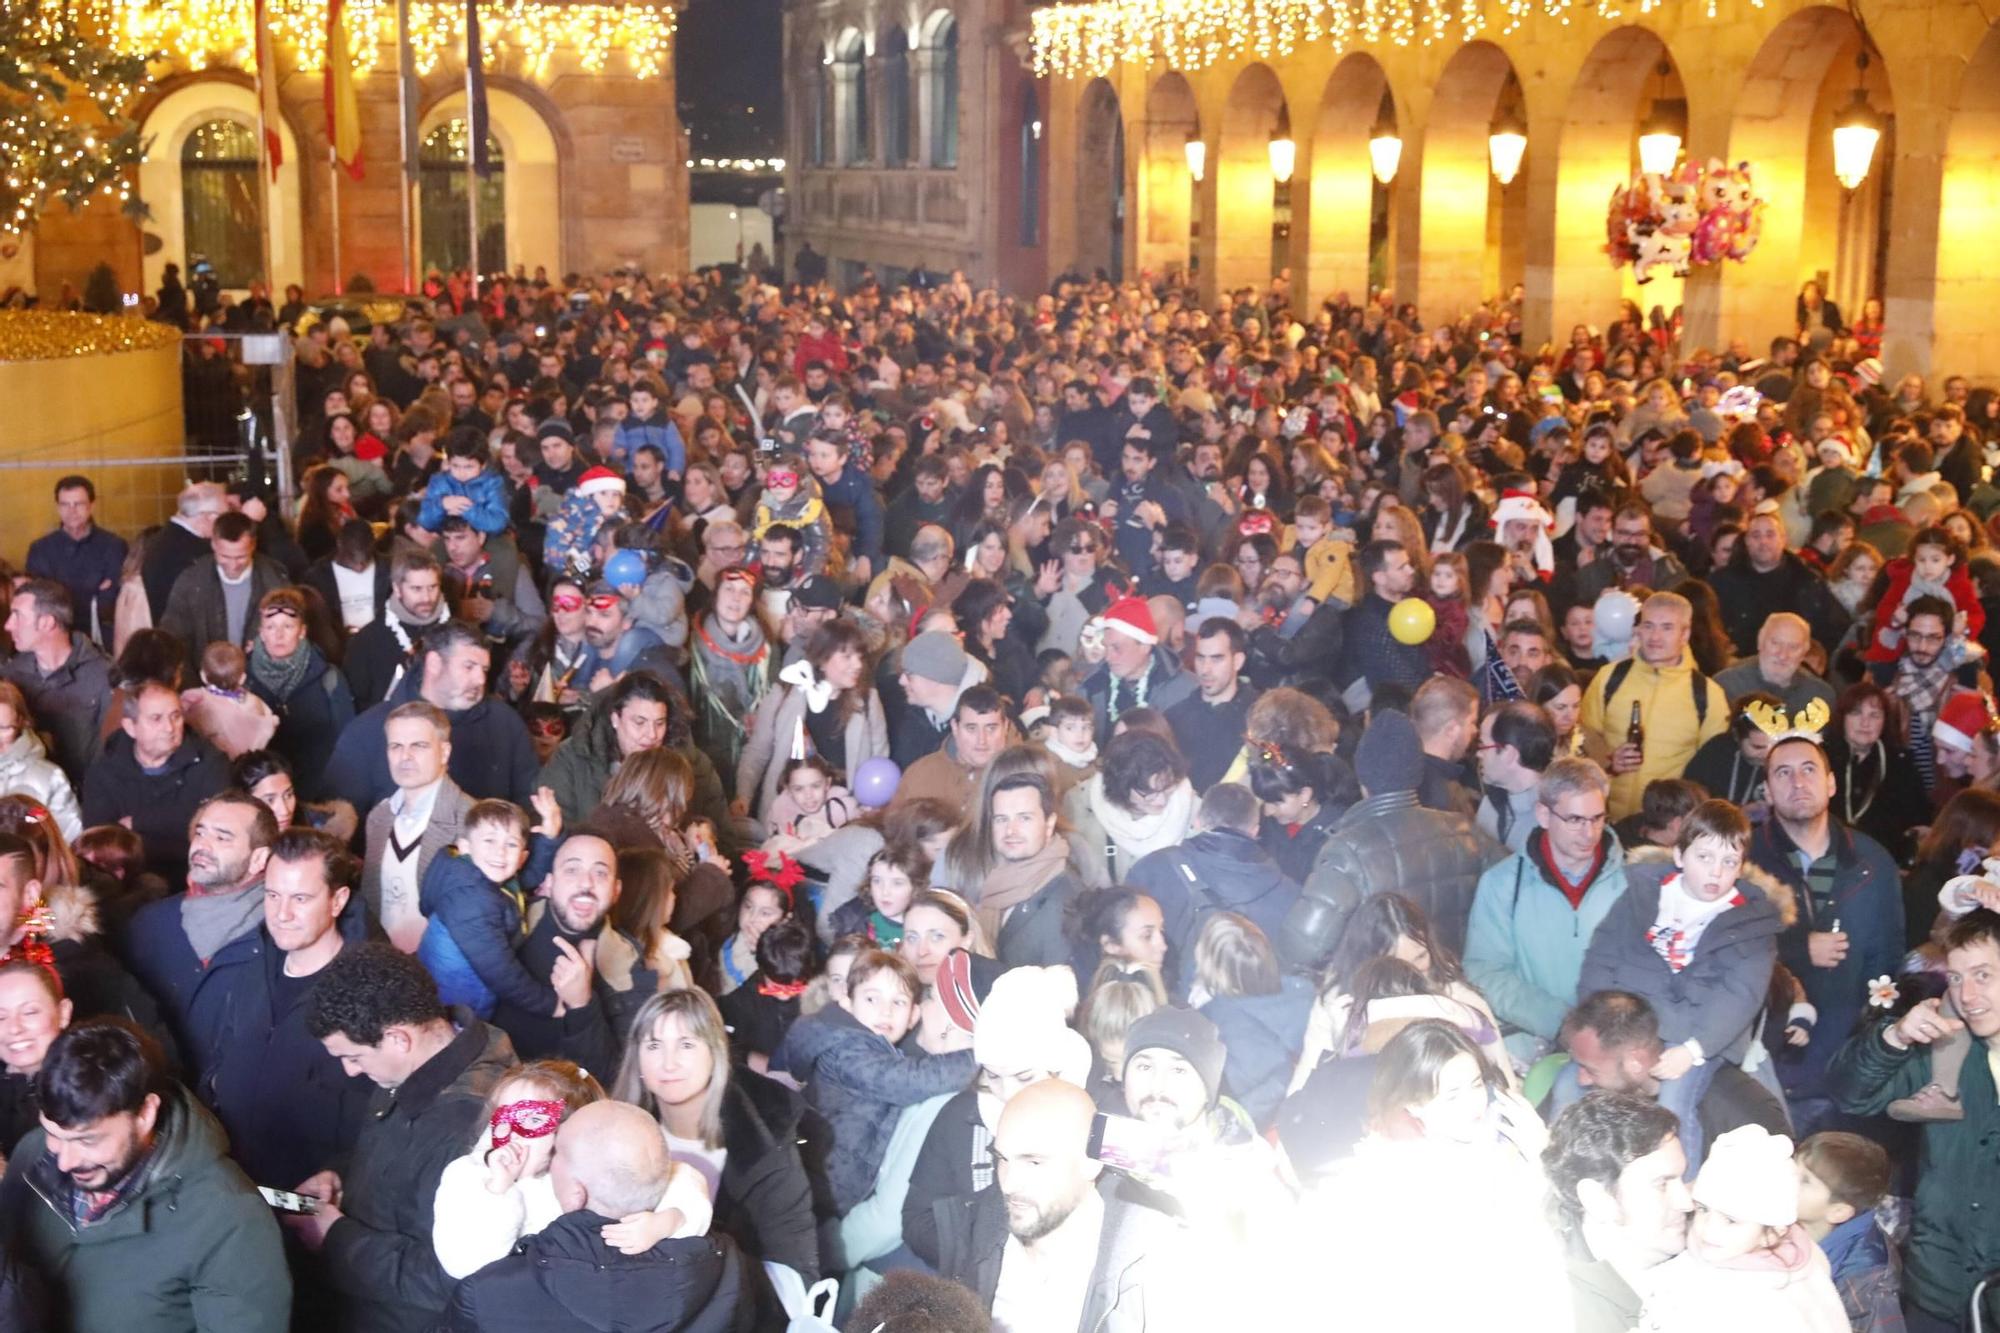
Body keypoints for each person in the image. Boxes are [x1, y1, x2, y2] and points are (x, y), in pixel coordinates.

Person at [0, 1019, 290, 1331]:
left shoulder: (231, 1217)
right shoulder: (32, 1155)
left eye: (88, 1140)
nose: (64, 1162)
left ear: (145, 1114)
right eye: (53, 1135)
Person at [287, 942, 516, 1333]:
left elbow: (449, 1279)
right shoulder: (419, 1064)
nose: (350, 1072)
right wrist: (340, 1175)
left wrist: (336, 1238)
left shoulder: (472, 1126)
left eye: (354, 1057)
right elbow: (396, 1155)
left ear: (398, 1038)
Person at [1578, 800, 1789, 1174]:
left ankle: (1680, 1191)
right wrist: (1599, 1026)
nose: (1716, 872)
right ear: (1679, 855)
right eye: (1704, 857)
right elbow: (1602, 958)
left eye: (1729, 862)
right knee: (1574, 1087)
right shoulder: (1643, 895)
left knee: (1673, 1106)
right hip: (1629, 1027)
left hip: (1696, 1041)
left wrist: (1693, 1051)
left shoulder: (1753, 921)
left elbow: (1741, 997)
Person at [437, 1099, 752, 1332]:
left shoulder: (487, 1296)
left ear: (576, 1194)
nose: (548, 1158)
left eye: (557, 1151)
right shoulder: (729, 1263)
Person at [1833, 909, 2000, 1332]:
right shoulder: (1945, 1055)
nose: (1968, 995)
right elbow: (1850, 1093)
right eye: (1957, 979)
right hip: (1937, 1293)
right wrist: (1896, 1037)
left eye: (1983, 975)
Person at [934, 1078, 1190, 1331]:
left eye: (1034, 1162)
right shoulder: (978, 1227)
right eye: (1002, 1158)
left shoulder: (1150, 1267)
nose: (1009, 1184)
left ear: (1091, 1164)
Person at [204, 826, 374, 1194]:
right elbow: (221, 1054)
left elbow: (377, 1113)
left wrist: (338, 1174)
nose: (282, 913)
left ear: (337, 900)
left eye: (300, 898)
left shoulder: (366, 993)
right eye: (272, 895)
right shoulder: (252, 968)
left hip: (304, 1197)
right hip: (231, 1183)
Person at [613, 988, 821, 1288]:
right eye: (654, 1045)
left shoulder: (764, 1146)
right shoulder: (615, 1134)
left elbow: (795, 1274)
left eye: (686, 1044)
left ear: (715, 1052)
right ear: (637, 1057)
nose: (669, 1063)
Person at [1750, 729, 1903, 1123]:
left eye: (1808, 770)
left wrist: (1871, 1052)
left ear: (1831, 782)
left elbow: (1887, 963)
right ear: (1766, 790)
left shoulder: (1872, 863)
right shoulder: (1744, 862)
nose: (1798, 782)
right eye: (1782, 773)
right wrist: (1798, 949)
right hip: (1764, 1061)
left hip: (1845, 1066)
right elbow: (1719, 951)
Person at [1281, 709, 1500, 969]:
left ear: (1362, 778)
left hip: (1386, 994)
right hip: (1457, 983)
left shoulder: (1347, 851)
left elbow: (1302, 947)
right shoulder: (1466, 831)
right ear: (1417, 774)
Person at [778, 948, 973, 1213]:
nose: (885, 1011)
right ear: (847, 1003)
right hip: (821, 1190)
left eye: (899, 1002)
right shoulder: (847, 1050)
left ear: (913, 1016)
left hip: (829, 1185)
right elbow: (906, 1080)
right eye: (872, 999)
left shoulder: (870, 1047)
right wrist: (981, 1055)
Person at [1465, 757, 1630, 1067]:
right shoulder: (1502, 885)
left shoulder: (1630, 884)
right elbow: (1484, 970)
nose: (1589, 833)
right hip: (1533, 1050)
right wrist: (1559, 1020)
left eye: (1598, 818)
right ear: (1543, 814)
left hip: (1613, 1050)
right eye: (1575, 820)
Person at [122, 790, 277, 1081]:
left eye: (222, 838)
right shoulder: (150, 924)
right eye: (200, 833)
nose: (203, 846)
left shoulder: (280, 938)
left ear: (259, 859)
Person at [1638, 1124, 1849, 1333]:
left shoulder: (1758, 1308)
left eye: (1731, 1220)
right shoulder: (1751, 1254)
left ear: (1773, 1232)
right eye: (1703, 1209)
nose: (1707, 1228)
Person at [325, 619, 540, 814]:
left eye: (484, 669)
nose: (480, 680)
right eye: (469, 667)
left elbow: (530, 805)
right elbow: (340, 818)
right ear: (435, 663)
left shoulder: (506, 724)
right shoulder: (369, 730)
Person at [1127, 781, 1299, 999]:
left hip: (1173, 1015)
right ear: (1255, 831)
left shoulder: (1150, 870)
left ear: (1198, 822)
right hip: (1254, 1019)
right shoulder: (1289, 893)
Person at [1543, 1091, 1694, 1333]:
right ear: (1598, 1200)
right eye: (1662, 1184)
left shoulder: (1703, 1243)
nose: (1687, 1202)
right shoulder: (1571, 1316)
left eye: (1681, 1178)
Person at [1577, 591, 1729, 821]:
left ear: (1685, 634)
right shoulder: (1609, 678)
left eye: (1667, 627)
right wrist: (1608, 761)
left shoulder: (1708, 694)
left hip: (1669, 829)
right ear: (1637, 629)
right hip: (1604, 821)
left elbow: (1715, 768)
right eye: (1648, 626)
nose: (1655, 636)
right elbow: (1581, 739)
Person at [361, 701, 473, 954]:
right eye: (395, 746)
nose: (405, 757)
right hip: (384, 962)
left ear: (444, 752)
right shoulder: (379, 817)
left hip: (442, 970)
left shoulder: (470, 819)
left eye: (419, 746)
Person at [2, 577, 113, 783]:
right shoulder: (12, 675)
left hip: (85, 798)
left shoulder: (104, 677)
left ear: (46, 622)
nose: (8, 625)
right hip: (28, 798)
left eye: (17, 616)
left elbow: (111, 756)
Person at [1794, 1131, 1906, 1332]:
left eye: (1805, 1180)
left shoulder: (1869, 1285)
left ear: (1838, 1212)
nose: (1788, 1180)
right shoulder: (1780, 1226)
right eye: (1793, 1168)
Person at [158, 510, 291, 675]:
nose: (233, 565)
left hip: (262, 683)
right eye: (225, 556)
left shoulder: (275, 580)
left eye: (241, 557)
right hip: (204, 684)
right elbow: (174, 640)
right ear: (213, 544)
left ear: (253, 545)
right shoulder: (191, 581)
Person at [345, 549, 452, 711]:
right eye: (416, 589)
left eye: (433, 587)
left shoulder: (458, 634)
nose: (427, 598)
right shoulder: (368, 640)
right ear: (397, 589)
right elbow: (357, 702)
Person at [27, 475, 126, 646]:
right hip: (56, 639)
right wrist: (93, 591)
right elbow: (40, 601)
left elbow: (112, 600)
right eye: (65, 505)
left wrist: (62, 592)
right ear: (57, 507)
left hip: (103, 640)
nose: (72, 511)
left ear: (91, 505)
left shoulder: (114, 546)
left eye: (79, 504)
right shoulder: (41, 549)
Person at [1081, 595, 1197, 739]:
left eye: (1117, 648)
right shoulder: (1092, 686)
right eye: (1107, 647)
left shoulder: (1187, 689)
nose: (1108, 657)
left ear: (1145, 646)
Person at [1167, 618, 1260, 790]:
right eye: (1200, 658)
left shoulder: (1261, 718)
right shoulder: (1174, 717)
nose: (1205, 669)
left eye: (1216, 659)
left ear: (1238, 661)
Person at [1716, 612, 1838, 717]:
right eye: (1775, 643)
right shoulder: (1725, 686)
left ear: (1804, 654)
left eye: (1793, 647)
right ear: (1760, 641)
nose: (1783, 655)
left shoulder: (1819, 696)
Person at [1476, 700, 1560, 851]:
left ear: (1509, 754)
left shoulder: (1554, 819)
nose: (1478, 754)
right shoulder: (1489, 805)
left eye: (1483, 746)